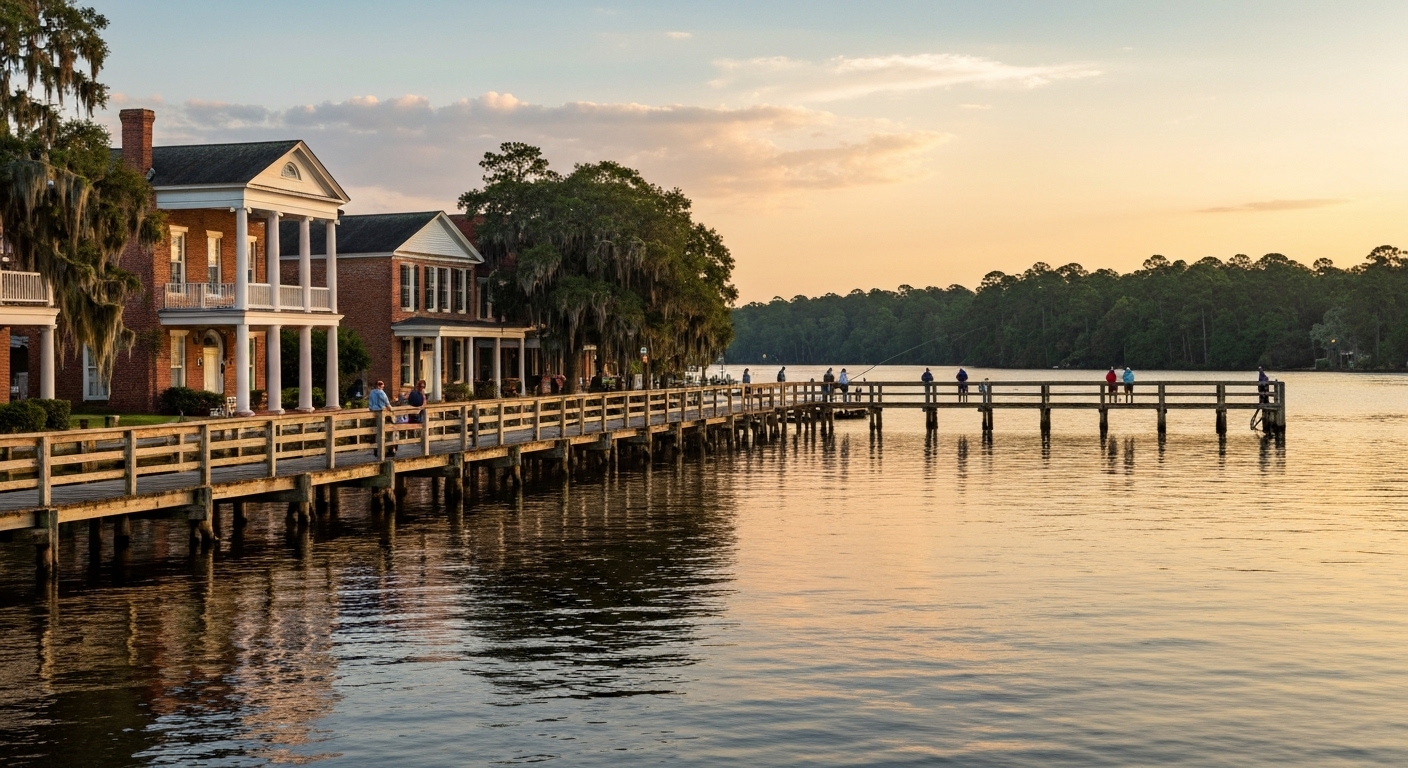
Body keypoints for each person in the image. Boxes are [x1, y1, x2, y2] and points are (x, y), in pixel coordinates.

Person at [368, 380, 393, 456]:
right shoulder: (382, 392)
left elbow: (370, 404)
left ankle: (376, 450)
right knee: (384, 432)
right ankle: (385, 450)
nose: (382, 385)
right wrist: (391, 410)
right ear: (379, 385)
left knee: (375, 432)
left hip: (373, 413)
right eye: (381, 384)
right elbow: (387, 403)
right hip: (381, 413)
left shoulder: (372, 392)